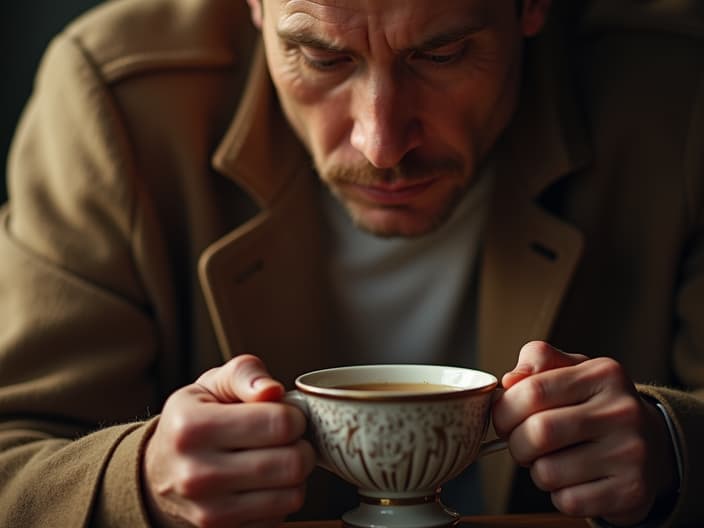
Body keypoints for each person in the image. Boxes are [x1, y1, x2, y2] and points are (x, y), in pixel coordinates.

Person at [0, 0, 702, 526]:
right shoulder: (112, 99)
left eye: (443, 53)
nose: (381, 144)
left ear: (531, 7)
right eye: (322, 58)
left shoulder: (677, 89)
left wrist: (674, 444)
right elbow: (12, 460)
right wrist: (142, 481)